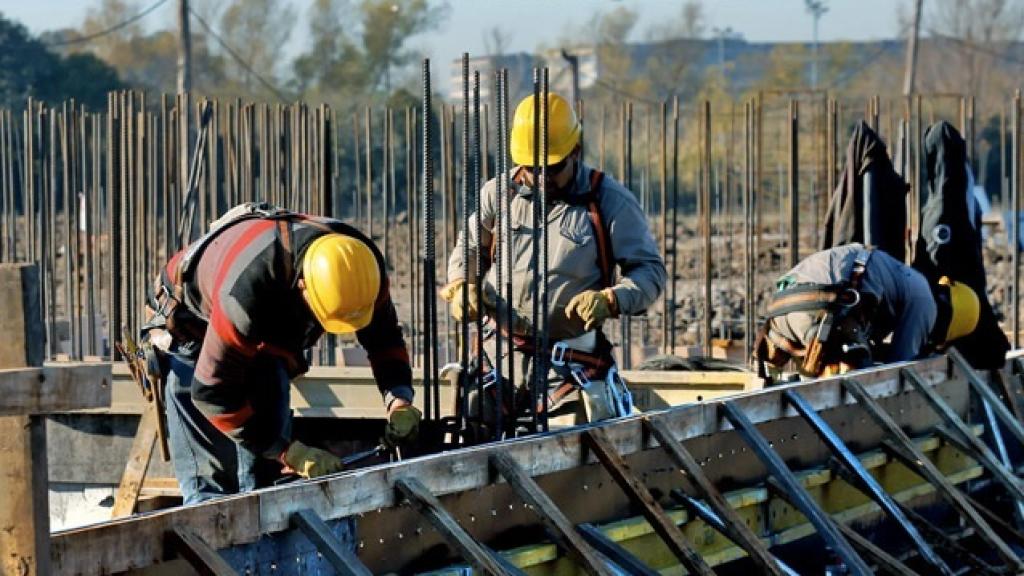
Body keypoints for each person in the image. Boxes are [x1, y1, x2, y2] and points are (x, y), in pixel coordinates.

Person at [144, 203, 420, 503]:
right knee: (213, 490)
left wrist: (399, 401)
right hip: (193, 328)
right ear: (303, 286)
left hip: (263, 328)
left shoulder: (362, 270)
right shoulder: (245, 293)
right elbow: (211, 392)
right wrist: (289, 452)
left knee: (266, 481)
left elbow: (385, 339)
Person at [442, 92, 666, 428]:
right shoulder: (498, 194)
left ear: (576, 151)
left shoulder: (609, 201)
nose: (540, 177)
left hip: (569, 365)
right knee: (478, 449)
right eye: (532, 168)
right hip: (497, 359)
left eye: (553, 168)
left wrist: (613, 299)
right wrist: (462, 284)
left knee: (569, 462)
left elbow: (649, 271)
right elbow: (470, 248)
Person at [754, 243, 980, 379]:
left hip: (780, 310)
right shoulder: (925, 302)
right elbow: (901, 366)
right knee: (867, 379)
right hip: (824, 309)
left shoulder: (904, 278)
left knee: (776, 380)